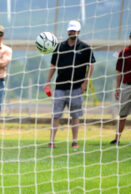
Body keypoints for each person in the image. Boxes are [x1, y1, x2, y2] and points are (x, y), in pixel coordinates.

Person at [43, 20, 95, 149]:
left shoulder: (85, 47)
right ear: (67, 31)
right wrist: (48, 81)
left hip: (77, 87)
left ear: (79, 31)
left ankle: (75, 141)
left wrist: (85, 82)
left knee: (75, 115)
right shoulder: (59, 47)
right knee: (56, 115)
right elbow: (53, 65)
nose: (72, 32)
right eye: (70, 30)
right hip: (60, 86)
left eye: (74, 30)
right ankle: (51, 141)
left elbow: (91, 65)